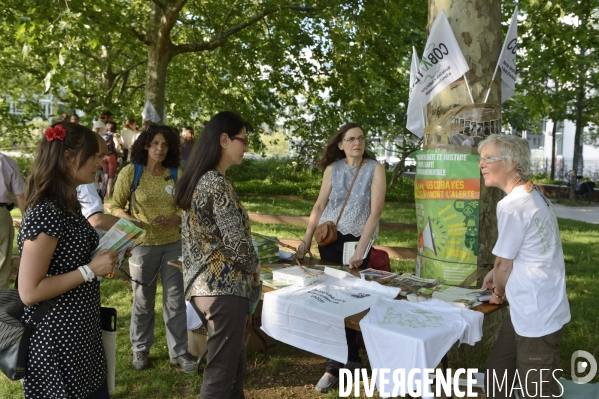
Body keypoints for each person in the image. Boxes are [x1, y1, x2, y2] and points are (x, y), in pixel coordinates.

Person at [17, 122, 119, 398]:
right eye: (95, 155)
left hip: (81, 337)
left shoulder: (68, 205)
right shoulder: (46, 212)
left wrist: (106, 258)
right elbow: (29, 292)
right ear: (69, 158)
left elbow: (69, 262)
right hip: (57, 343)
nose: (101, 162)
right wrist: (89, 270)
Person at [174, 111, 261, 398]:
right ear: (225, 140)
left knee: (234, 370)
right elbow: (238, 245)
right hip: (223, 289)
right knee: (220, 376)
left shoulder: (201, 179)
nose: (246, 147)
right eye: (243, 140)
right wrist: (255, 267)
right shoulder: (216, 183)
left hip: (206, 288)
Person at [295, 122, 386, 393]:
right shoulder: (332, 170)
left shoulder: (375, 168)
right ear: (341, 144)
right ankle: (342, 360)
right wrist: (307, 237)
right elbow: (320, 205)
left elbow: (376, 211)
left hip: (357, 241)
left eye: (361, 138)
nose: (357, 142)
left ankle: (343, 361)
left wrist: (361, 247)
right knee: (332, 298)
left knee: (353, 297)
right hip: (330, 238)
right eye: (351, 139)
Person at [479, 134, 570, 399]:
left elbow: (505, 263)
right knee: (497, 378)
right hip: (527, 309)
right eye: (480, 159)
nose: (481, 164)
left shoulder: (513, 204)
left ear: (511, 163)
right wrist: (493, 274)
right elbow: (518, 253)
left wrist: (496, 293)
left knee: (538, 391)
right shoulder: (532, 194)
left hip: (537, 314)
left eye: (488, 158)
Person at [109, 125, 195, 372]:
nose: (160, 148)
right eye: (155, 143)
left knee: (175, 301)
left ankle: (179, 352)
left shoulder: (175, 173)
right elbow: (115, 206)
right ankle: (140, 349)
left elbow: (186, 206)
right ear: (146, 145)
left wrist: (174, 218)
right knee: (143, 300)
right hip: (142, 246)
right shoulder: (131, 173)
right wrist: (132, 220)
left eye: (165, 144)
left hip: (173, 244)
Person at [77, 133, 121, 234]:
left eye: (102, 157)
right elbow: (96, 220)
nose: (101, 163)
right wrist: (137, 226)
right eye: (99, 156)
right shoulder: (84, 183)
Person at [0, 152, 26, 290]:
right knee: (2, 263)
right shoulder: (6, 161)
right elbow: (20, 196)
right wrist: (27, 221)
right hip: (1, 213)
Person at [102, 121, 120, 199]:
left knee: (105, 174)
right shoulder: (114, 135)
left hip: (104, 156)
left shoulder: (103, 134)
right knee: (111, 176)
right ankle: (108, 194)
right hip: (112, 156)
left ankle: (103, 192)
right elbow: (117, 144)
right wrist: (116, 151)